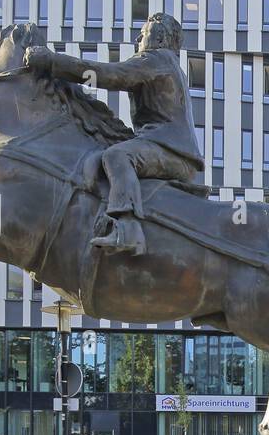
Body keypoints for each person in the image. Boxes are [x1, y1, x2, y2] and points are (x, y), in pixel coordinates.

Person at [24, 13, 204, 257]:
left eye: (145, 31)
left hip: (172, 152)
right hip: (171, 149)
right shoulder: (169, 64)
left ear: (160, 37)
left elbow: (110, 74)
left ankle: (128, 228)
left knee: (117, 157)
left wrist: (52, 62)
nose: (138, 37)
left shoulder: (156, 59)